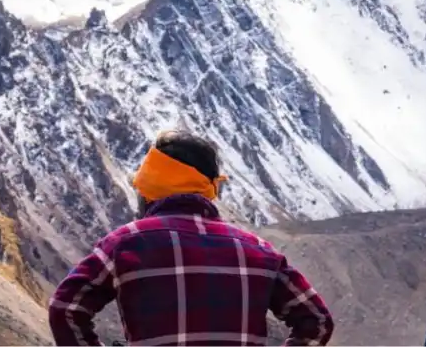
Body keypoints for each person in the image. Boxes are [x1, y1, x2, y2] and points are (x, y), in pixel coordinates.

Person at [48, 129, 334, 346]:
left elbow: (65, 308)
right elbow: (317, 321)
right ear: (210, 190)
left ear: (148, 191)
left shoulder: (124, 244)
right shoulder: (259, 252)